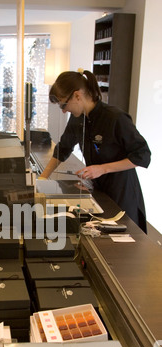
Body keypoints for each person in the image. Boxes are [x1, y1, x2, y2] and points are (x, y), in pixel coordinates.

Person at [39, 69, 151, 233]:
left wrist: (102, 168)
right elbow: (63, 148)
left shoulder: (115, 118)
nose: (63, 110)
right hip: (98, 190)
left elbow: (143, 155)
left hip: (121, 193)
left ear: (77, 95)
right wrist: (43, 178)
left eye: (64, 104)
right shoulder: (78, 119)